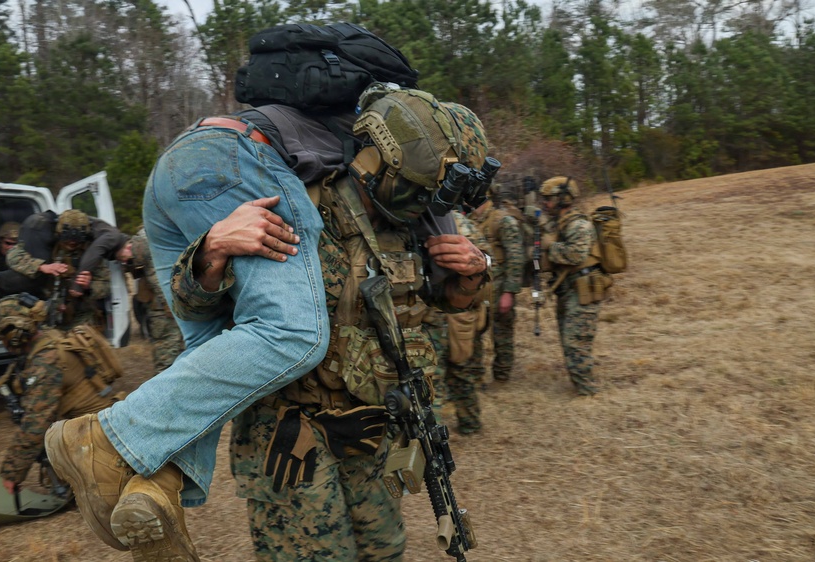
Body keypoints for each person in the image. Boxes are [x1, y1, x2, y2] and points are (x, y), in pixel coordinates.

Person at [44, 85, 491, 561]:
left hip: (372, 431)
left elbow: (440, 300)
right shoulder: (290, 197)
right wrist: (211, 251)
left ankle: (152, 478)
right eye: (420, 189)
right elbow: (199, 315)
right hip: (289, 438)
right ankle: (136, 463)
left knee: (385, 551)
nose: (427, 204)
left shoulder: (417, 224)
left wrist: (473, 272)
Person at [0, 294, 127, 495]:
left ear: (15, 333)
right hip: (105, 426)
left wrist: (12, 473)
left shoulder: (45, 362)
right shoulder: (51, 337)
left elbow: (35, 424)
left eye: (2, 337)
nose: (3, 344)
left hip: (102, 439)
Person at [423, 210, 494, 434]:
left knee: (434, 380)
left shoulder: (422, 223)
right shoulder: (465, 224)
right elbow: (487, 267)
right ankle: (469, 423)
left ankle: (437, 435)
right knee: (461, 373)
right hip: (457, 315)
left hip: (439, 315)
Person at [539, 176, 611, 396]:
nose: (545, 203)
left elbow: (576, 255)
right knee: (567, 339)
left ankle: (588, 391)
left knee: (576, 342)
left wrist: (550, 246)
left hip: (584, 289)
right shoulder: (559, 223)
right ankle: (580, 385)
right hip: (568, 289)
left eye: (549, 199)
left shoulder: (579, 225)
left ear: (563, 199)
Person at [5, 210, 128, 330]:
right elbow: (13, 256)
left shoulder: (91, 254)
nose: (71, 243)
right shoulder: (46, 244)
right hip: (44, 306)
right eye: (67, 239)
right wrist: (41, 266)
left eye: (76, 241)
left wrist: (88, 286)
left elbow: (105, 285)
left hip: (78, 313)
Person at [466, 187, 525, 382]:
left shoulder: (503, 220)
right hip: (477, 288)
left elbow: (515, 258)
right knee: (473, 330)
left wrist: (509, 292)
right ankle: (475, 375)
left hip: (499, 287)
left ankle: (502, 374)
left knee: (502, 333)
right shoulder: (470, 221)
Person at [123, 227, 183, 374]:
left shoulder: (145, 237)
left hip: (167, 305)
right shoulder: (151, 237)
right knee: (168, 353)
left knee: (170, 352)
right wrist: (169, 303)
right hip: (165, 307)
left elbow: (153, 274)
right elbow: (153, 275)